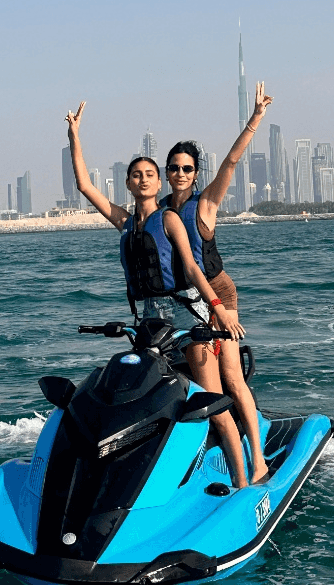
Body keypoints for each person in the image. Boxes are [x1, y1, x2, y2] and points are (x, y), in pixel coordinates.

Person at [66, 101, 250, 489]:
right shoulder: (124, 223)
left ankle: (245, 482)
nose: (145, 179)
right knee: (147, 396)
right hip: (149, 322)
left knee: (212, 401)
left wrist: (219, 310)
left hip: (187, 316)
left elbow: (193, 269)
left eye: (151, 173)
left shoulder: (169, 219)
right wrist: (74, 136)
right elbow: (84, 186)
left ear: (158, 181)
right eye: (138, 175)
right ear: (130, 183)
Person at [161, 80, 273, 483]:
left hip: (218, 293)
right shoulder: (160, 212)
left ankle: (256, 461)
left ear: (195, 174)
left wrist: (255, 119)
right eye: (173, 167)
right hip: (188, 300)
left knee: (232, 379)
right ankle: (223, 452)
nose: (179, 173)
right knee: (209, 384)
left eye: (187, 168)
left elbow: (229, 163)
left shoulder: (204, 204)